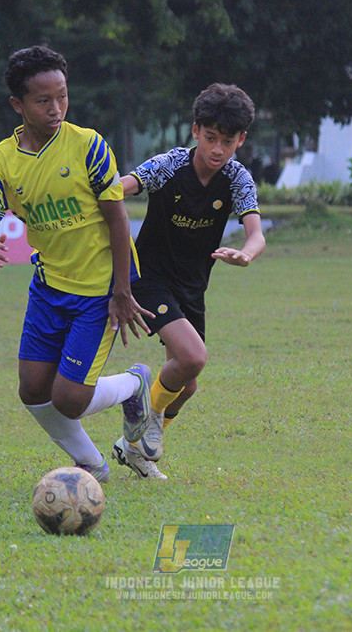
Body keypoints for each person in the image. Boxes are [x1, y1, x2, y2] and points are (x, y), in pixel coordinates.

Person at [0, 45, 157, 483]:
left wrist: (122, 290)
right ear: (18, 105)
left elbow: (117, 218)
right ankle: (92, 464)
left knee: (69, 399)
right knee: (33, 390)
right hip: (49, 286)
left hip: (101, 290)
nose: (56, 109)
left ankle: (134, 385)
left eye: (63, 96)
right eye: (43, 100)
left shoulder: (88, 146)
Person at [110, 83, 266, 480]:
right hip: (149, 278)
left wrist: (246, 252)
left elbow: (256, 232)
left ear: (240, 140)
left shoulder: (236, 178)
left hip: (192, 288)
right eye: (210, 138)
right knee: (194, 358)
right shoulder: (169, 166)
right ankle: (144, 426)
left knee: (189, 385)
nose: (217, 149)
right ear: (195, 130)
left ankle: (133, 448)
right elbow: (121, 188)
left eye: (227, 141)